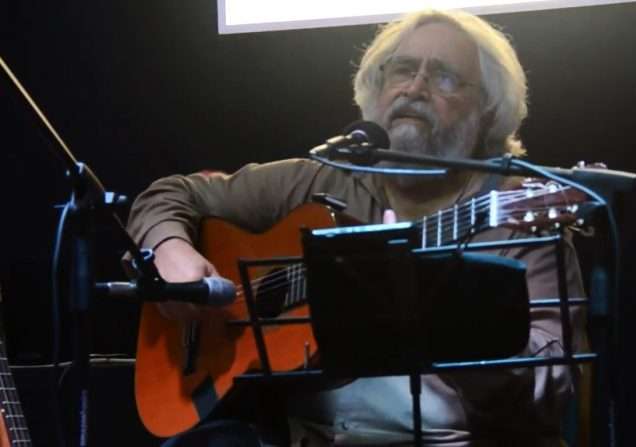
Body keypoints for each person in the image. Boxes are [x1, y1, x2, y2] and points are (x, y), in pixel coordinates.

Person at [126, 8, 588, 447]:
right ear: (375, 86)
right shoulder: (321, 180)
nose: (416, 88)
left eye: (445, 76)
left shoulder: (521, 218)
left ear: (487, 109)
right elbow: (171, 194)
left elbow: (553, 384)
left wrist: (449, 322)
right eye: (402, 69)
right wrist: (168, 251)